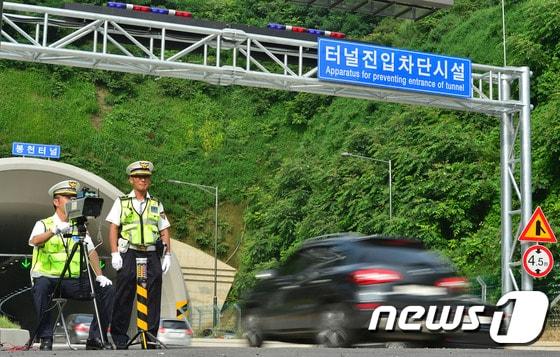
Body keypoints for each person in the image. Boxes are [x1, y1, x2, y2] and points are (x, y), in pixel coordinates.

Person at [29, 180, 115, 350]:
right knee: (41, 288)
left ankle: (96, 338)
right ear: (56, 202)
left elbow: (91, 252)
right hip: (48, 279)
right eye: (67, 197)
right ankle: (46, 337)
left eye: (74, 197)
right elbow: (34, 241)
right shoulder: (44, 224)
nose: (72, 200)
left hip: (72, 281)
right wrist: (53, 231)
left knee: (107, 290)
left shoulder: (79, 226)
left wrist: (99, 275)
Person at [106, 161, 172, 349]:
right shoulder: (122, 202)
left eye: (146, 177)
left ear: (149, 180)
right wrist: (114, 253)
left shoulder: (156, 204)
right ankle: (119, 337)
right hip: (129, 253)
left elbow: (164, 229)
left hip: (151, 254)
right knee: (124, 294)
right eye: (138, 177)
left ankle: (149, 338)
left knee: (153, 295)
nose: (142, 179)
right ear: (131, 180)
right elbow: (113, 227)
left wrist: (168, 255)